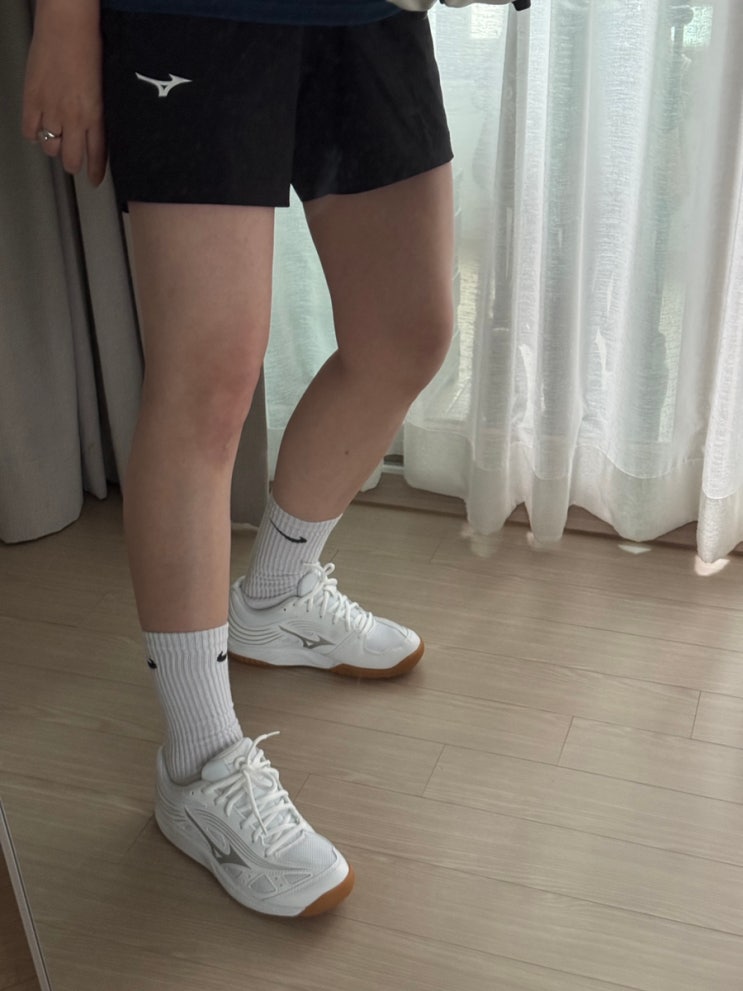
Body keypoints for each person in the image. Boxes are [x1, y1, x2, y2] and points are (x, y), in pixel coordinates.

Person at [22, 0, 455, 918]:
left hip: (368, 13)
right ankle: (197, 763)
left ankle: (276, 599)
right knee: (206, 382)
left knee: (406, 332)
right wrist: (63, 22)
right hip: (193, 15)